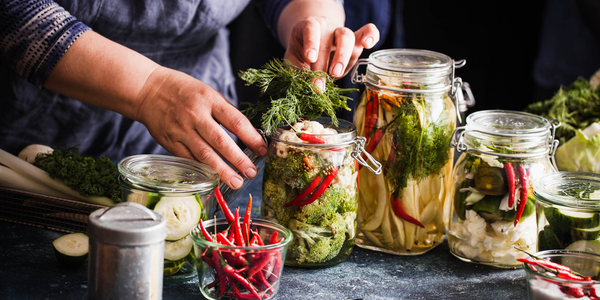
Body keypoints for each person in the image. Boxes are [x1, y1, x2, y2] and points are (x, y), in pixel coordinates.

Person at [0, 0, 380, 190]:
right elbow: (13, 11)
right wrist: (150, 88)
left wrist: (314, 25)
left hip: (200, 135)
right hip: (39, 140)